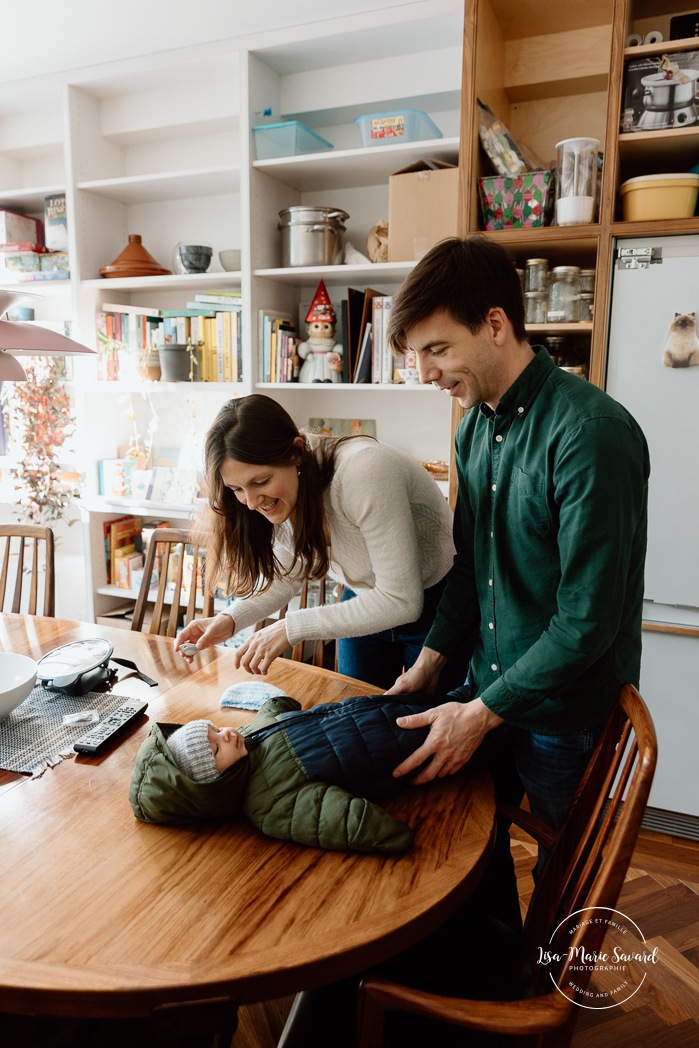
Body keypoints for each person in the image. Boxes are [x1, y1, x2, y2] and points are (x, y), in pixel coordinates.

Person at [175, 394, 466, 693]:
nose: (250, 503)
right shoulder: (287, 491)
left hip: (439, 602)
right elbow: (287, 576)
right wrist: (230, 619)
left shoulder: (364, 472)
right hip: (366, 597)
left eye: (260, 481)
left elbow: (402, 601)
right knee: (357, 714)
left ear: (296, 452)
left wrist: (291, 627)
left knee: (429, 720)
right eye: (237, 488)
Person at [129, 691, 440, 853]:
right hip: (414, 744)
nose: (225, 734)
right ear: (212, 785)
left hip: (391, 705)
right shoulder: (269, 803)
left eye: (214, 729)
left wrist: (279, 703)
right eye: (215, 749)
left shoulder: (248, 735)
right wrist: (394, 836)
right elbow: (343, 820)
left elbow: (276, 708)